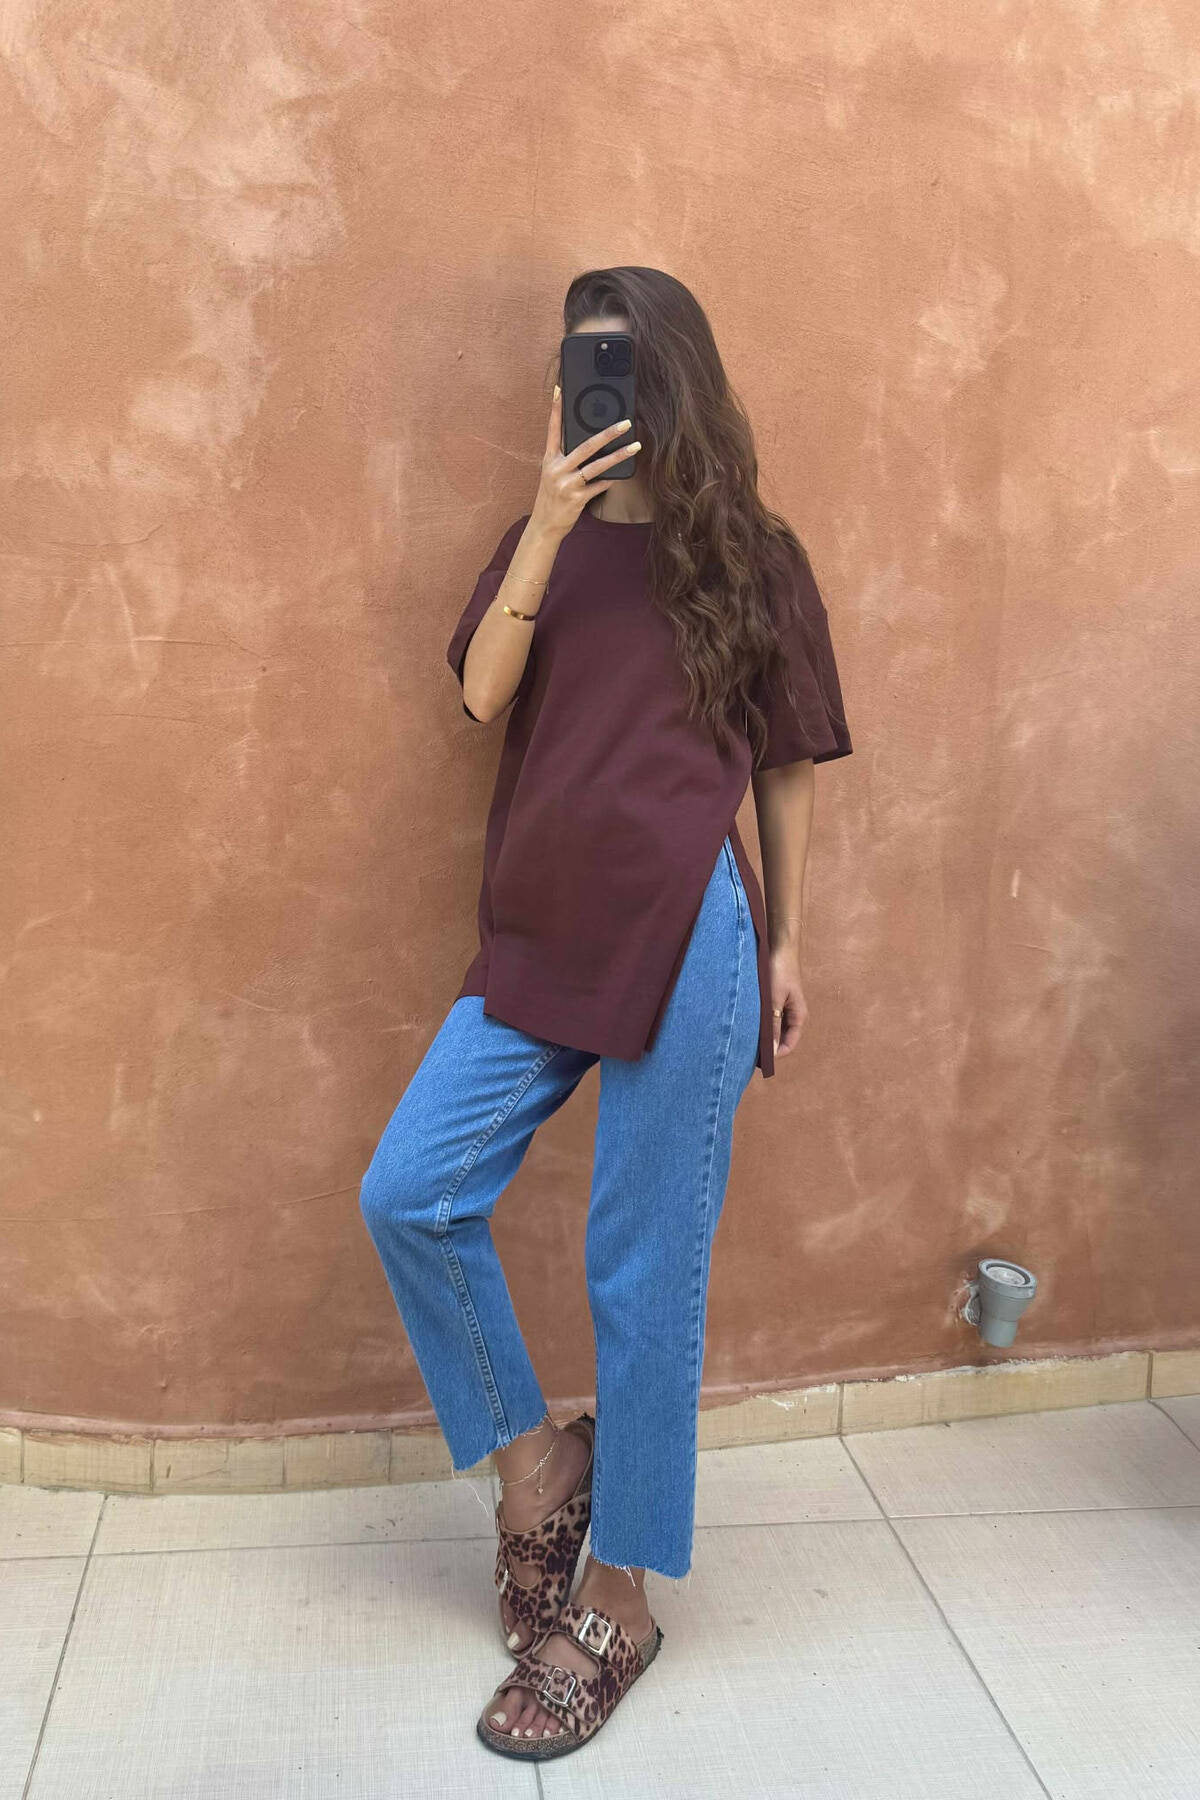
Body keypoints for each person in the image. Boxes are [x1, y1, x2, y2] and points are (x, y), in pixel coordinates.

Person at [358, 266, 852, 1761]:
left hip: (693, 931)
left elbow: (787, 764)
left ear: (675, 376)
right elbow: (479, 698)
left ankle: (621, 1592)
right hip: (542, 926)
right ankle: (539, 1467)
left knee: (643, 1270)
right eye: (580, 365)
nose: (597, 390)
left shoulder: (752, 556)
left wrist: (787, 943)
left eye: (623, 363)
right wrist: (547, 523)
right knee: (410, 1191)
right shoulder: (544, 536)